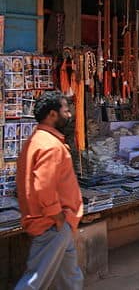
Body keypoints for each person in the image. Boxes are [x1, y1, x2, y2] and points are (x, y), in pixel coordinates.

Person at [15, 92, 83, 290]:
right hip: (52, 224)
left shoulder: (37, 140)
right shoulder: (49, 145)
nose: (69, 115)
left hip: (59, 223)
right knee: (34, 281)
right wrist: (57, 216)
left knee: (70, 278)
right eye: (66, 111)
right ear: (53, 114)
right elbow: (43, 186)